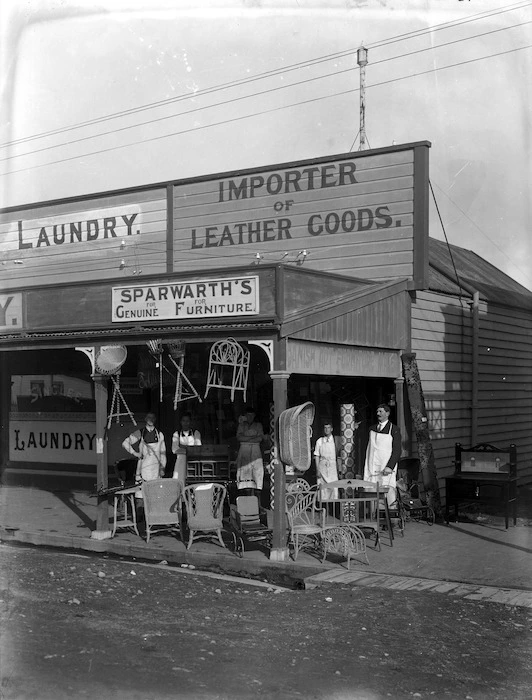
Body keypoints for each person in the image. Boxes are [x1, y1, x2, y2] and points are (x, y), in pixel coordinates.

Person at [121, 412, 167, 500]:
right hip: (143, 469)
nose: (151, 420)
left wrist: (162, 468)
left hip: (156, 470)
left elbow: (163, 453)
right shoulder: (140, 433)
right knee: (141, 496)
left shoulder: (160, 434)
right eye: (149, 418)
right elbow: (125, 443)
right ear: (145, 419)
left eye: (153, 418)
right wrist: (135, 453)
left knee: (156, 496)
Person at [363, 403, 402, 506]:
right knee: (373, 493)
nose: (378, 413)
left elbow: (397, 450)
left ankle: (392, 518)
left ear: (387, 413)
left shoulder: (394, 429)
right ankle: (375, 517)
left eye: (381, 411)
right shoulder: (372, 429)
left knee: (388, 492)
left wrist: (390, 466)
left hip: (386, 468)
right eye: (377, 411)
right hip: (373, 467)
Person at [235, 407, 264, 497]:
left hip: (255, 451)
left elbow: (260, 438)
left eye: (251, 415)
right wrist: (252, 438)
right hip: (244, 451)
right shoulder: (242, 425)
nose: (250, 417)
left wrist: (246, 438)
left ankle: (258, 503)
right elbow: (239, 437)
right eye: (248, 415)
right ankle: (247, 501)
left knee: (257, 474)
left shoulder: (258, 425)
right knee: (245, 475)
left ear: (254, 416)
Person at [171, 413, 201, 484]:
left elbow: (198, 448)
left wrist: (183, 447)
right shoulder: (176, 434)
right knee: (179, 481)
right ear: (181, 422)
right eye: (184, 421)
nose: (185, 423)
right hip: (180, 462)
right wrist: (190, 449)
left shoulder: (196, 433)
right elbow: (174, 449)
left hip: (193, 461)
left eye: (187, 421)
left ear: (190, 422)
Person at [314, 422, 341, 499]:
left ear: (331, 429)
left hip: (333, 467)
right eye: (325, 428)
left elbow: (339, 455)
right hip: (323, 467)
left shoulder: (336, 441)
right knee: (323, 489)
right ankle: (323, 508)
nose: (327, 430)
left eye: (328, 428)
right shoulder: (319, 441)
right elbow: (316, 456)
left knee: (334, 487)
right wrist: (317, 470)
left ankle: (333, 508)